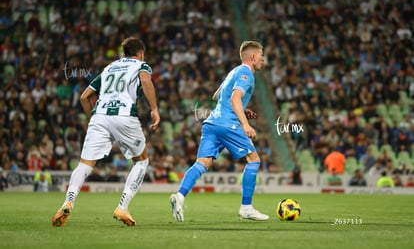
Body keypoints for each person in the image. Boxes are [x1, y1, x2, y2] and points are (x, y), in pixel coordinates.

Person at [52, 37, 160, 227]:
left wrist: (92, 119)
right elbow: (145, 80)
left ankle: (68, 201)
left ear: (124, 53)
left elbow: (85, 97)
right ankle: (122, 207)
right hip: (124, 114)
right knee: (142, 161)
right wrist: (154, 109)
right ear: (141, 53)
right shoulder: (141, 65)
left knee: (85, 164)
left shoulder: (109, 68)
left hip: (99, 116)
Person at [170, 41, 269, 222]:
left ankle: (180, 196)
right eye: (261, 55)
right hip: (227, 124)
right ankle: (246, 208)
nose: (263, 59)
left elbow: (217, 95)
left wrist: (242, 108)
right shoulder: (247, 72)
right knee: (253, 160)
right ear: (253, 57)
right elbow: (234, 97)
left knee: (203, 163)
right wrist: (245, 123)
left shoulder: (234, 71)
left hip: (212, 123)